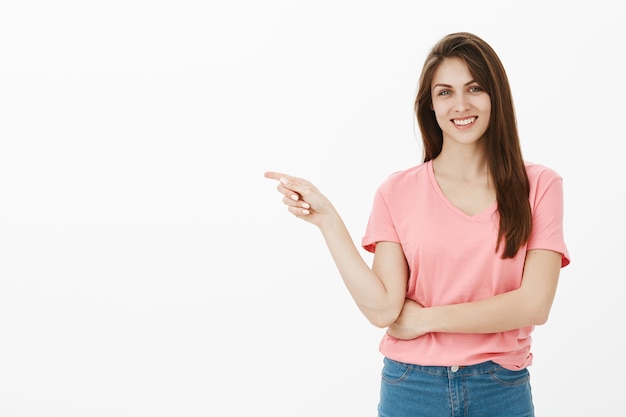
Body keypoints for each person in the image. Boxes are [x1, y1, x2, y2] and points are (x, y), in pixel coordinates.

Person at [264, 32, 569, 417]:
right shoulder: (397, 191)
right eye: (445, 92)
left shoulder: (540, 185)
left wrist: (425, 319)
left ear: (496, 97)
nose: (461, 105)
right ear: (430, 106)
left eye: (474, 88)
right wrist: (329, 222)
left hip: (500, 387)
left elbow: (534, 304)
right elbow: (383, 310)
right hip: (412, 386)